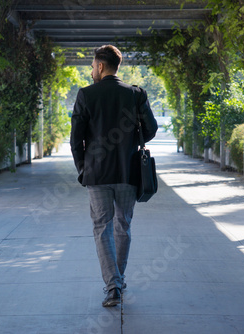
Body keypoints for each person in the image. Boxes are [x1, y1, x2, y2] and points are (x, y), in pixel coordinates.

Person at [70, 45, 158, 307]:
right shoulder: (136, 94)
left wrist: (82, 168)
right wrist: (132, 140)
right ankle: (117, 281)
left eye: (92, 67)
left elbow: (75, 140)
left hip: (96, 174)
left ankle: (113, 286)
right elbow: (151, 128)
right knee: (123, 226)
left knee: (102, 228)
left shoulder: (86, 95)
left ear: (99, 66)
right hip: (127, 171)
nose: (91, 71)